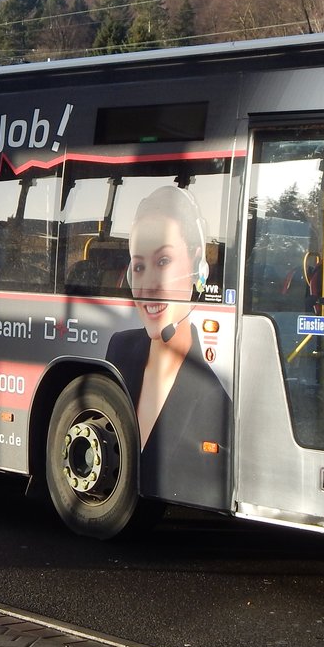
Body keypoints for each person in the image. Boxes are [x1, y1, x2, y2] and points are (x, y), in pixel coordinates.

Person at [105, 185, 231, 509]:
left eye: (163, 260)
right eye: (139, 265)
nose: (148, 286)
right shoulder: (119, 350)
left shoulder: (215, 399)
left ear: (198, 267)